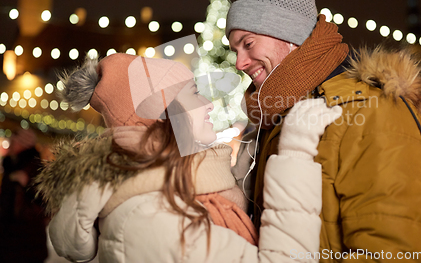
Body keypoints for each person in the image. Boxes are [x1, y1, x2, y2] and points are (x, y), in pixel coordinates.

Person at [227, 0, 421, 262]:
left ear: (288, 35)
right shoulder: (280, 118)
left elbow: (397, 251)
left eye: (248, 44)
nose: (240, 62)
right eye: (235, 49)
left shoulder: (372, 110)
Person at [36, 53, 342, 263]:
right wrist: (294, 153)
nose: (208, 103)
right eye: (194, 93)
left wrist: (253, 161)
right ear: (164, 116)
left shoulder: (173, 194)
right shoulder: (151, 219)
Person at [0, 129, 48, 263]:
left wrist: (27, 183)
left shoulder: (35, 167)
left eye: (14, 142)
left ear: (23, 144)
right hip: (8, 232)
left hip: (28, 234)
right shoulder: (10, 164)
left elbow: (45, 198)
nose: (10, 145)